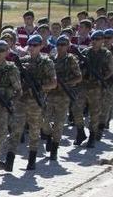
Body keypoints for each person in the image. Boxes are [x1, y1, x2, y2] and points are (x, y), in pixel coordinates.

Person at [7, 34, 56, 170]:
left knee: (35, 130)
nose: (32, 48)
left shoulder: (46, 62)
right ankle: (9, 161)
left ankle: (32, 159)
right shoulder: (22, 62)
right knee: (16, 130)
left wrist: (39, 87)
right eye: (30, 45)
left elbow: (53, 83)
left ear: (41, 46)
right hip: (21, 101)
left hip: (36, 101)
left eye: (35, 45)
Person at [45, 35, 81, 159]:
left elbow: (78, 77)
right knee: (44, 121)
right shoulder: (51, 59)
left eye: (63, 45)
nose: (60, 47)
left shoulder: (71, 60)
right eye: (58, 45)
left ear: (68, 46)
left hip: (63, 96)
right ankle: (49, 135)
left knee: (59, 123)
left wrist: (66, 83)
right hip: (50, 95)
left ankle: (54, 148)